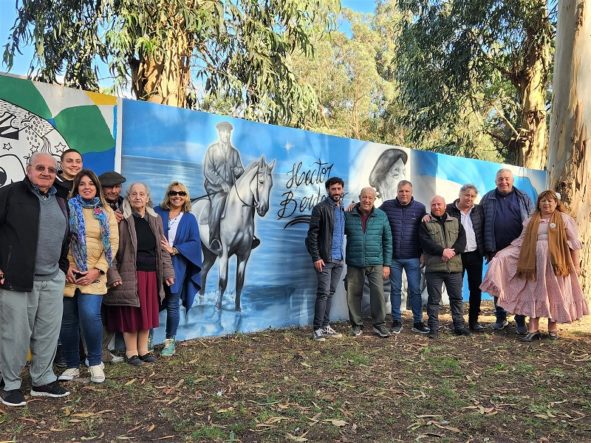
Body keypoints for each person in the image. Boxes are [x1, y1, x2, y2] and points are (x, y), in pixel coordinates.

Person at [0, 152, 70, 407]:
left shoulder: (61, 198)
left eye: (52, 170)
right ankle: (9, 384)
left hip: (52, 278)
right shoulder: (9, 194)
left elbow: (65, 236)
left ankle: (42, 379)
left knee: (48, 334)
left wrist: (62, 267)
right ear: (29, 170)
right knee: (15, 336)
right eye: (40, 168)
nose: (46, 173)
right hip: (17, 279)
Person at [481, 190, 588, 341]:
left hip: (557, 264)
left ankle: (553, 329)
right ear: (538, 203)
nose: (546, 203)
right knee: (533, 292)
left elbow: (574, 244)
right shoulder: (532, 220)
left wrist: (576, 265)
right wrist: (503, 253)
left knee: (555, 293)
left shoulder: (564, 219)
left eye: (550, 201)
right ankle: (533, 329)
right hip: (534, 264)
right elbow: (521, 241)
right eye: (543, 201)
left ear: (556, 203)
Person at [57, 170, 118, 384]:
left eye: (90, 184)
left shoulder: (106, 211)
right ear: (76, 187)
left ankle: (94, 362)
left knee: (90, 316)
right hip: (69, 273)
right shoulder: (65, 207)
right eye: (82, 183)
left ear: (96, 187)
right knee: (67, 321)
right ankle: (73, 366)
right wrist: (65, 268)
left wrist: (97, 270)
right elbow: (59, 240)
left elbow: (112, 245)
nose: (86, 187)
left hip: (94, 273)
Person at [104, 183, 174, 366]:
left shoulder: (155, 218)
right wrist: (113, 275)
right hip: (129, 274)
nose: (138, 197)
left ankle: (144, 350)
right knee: (131, 314)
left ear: (147, 198)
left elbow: (162, 249)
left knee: (147, 314)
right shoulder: (121, 218)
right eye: (134, 194)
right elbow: (110, 249)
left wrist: (168, 272)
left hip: (151, 275)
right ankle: (131, 352)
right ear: (128, 197)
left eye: (141, 194)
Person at [481, 169, 534, 333]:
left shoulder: (523, 197)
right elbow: (478, 220)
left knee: (520, 285)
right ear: (495, 181)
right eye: (500, 179)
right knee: (498, 284)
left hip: (520, 250)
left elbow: (533, 219)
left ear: (512, 180)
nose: (504, 182)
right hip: (495, 249)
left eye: (507, 179)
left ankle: (520, 320)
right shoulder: (488, 198)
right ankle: (500, 317)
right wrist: (486, 248)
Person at [154, 182, 202, 357]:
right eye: (173, 193)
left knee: (173, 303)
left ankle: (170, 341)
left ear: (186, 196)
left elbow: (195, 243)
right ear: (168, 195)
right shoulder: (157, 212)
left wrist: (174, 249)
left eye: (181, 193)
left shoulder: (189, 218)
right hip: (154, 264)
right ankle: (147, 338)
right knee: (151, 301)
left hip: (177, 266)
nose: (177, 196)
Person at [379, 180, 429, 335]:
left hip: (413, 257)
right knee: (395, 290)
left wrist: (423, 253)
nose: (404, 194)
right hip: (393, 258)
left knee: (414, 290)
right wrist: (354, 205)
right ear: (397, 192)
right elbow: (371, 214)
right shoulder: (387, 206)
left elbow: (424, 232)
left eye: (407, 191)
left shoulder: (420, 208)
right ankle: (396, 321)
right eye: (401, 191)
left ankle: (418, 321)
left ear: (411, 192)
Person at [419, 195, 470, 339]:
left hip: (454, 268)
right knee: (434, 300)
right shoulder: (425, 224)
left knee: (456, 299)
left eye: (439, 204)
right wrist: (441, 251)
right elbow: (425, 242)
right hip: (434, 269)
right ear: (431, 207)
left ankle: (459, 326)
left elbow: (462, 241)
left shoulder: (455, 222)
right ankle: (433, 328)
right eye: (434, 204)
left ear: (444, 206)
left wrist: (451, 252)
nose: (436, 207)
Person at [345, 187, 392, 338]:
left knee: (378, 294)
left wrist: (387, 264)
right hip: (354, 261)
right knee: (353, 294)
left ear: (374, 200)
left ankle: (379, 325)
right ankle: (356, 325)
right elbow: (338, 233)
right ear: (359, 197)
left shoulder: (381, 216)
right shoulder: (349, 215)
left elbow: (388, 241)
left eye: (370, 198)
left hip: (376, 262)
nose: (367, 200)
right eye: (364, 197)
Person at [305, 177, 345, 341]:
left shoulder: (342, 209)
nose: (336, 192)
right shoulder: (320, 208)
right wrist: (316, 257)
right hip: (325, 260)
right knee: (323, 294)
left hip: (338, 260)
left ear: (342, 190)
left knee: (330, 293)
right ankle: (317, 329)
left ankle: (325, 326)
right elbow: (312, 235)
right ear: (328, 190)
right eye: (333, 189)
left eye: (339, 188)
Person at [445, 184, 486, 331]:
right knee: (456, 289)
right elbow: (435, 216)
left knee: (476, 288)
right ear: (460, 195)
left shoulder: (479, 210)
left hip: (475, 254)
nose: (469, 198)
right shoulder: (449, 209)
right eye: (466, 195)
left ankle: (474, 322)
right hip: (457, 255)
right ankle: (458, 321)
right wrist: (427, 215)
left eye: (472, 196)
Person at [98, 171, 127, 364]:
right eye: (110, 187)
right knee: (94, 311)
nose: (114, 190)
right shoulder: (95, 205)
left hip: (121, 265)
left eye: (117, 187)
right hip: (99, 266)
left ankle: (103, 351)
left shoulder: (126, 204)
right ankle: (91, 353)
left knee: (112, 309)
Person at [203, 122, 245, 254]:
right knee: (219, 202)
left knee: (245, 204)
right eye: (223, 132)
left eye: (228, 132)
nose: (225, 134)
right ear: (219, 133)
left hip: (231, 189)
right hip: (215, 188)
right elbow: (208, 171)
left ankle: (248, 236)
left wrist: (239, 171)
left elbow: (240, 170)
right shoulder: (212, 150)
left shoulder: (235, 153)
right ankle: (214, 238)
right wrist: (221, 183)